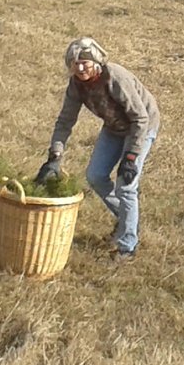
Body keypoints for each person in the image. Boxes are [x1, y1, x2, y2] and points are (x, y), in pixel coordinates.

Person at [35, 37, 160, 262]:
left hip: (140, 127)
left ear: (97, 62)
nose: (80, 68)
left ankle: (127, 246)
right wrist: (55, 156)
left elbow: (140, 118)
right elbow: (65, 121)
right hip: (114, 127)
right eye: (75, 63)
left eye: (85, 62)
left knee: (126, 186)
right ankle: (126, 218)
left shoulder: (114, 77)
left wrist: (130, 157)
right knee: (95, 176)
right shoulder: (76, 85)